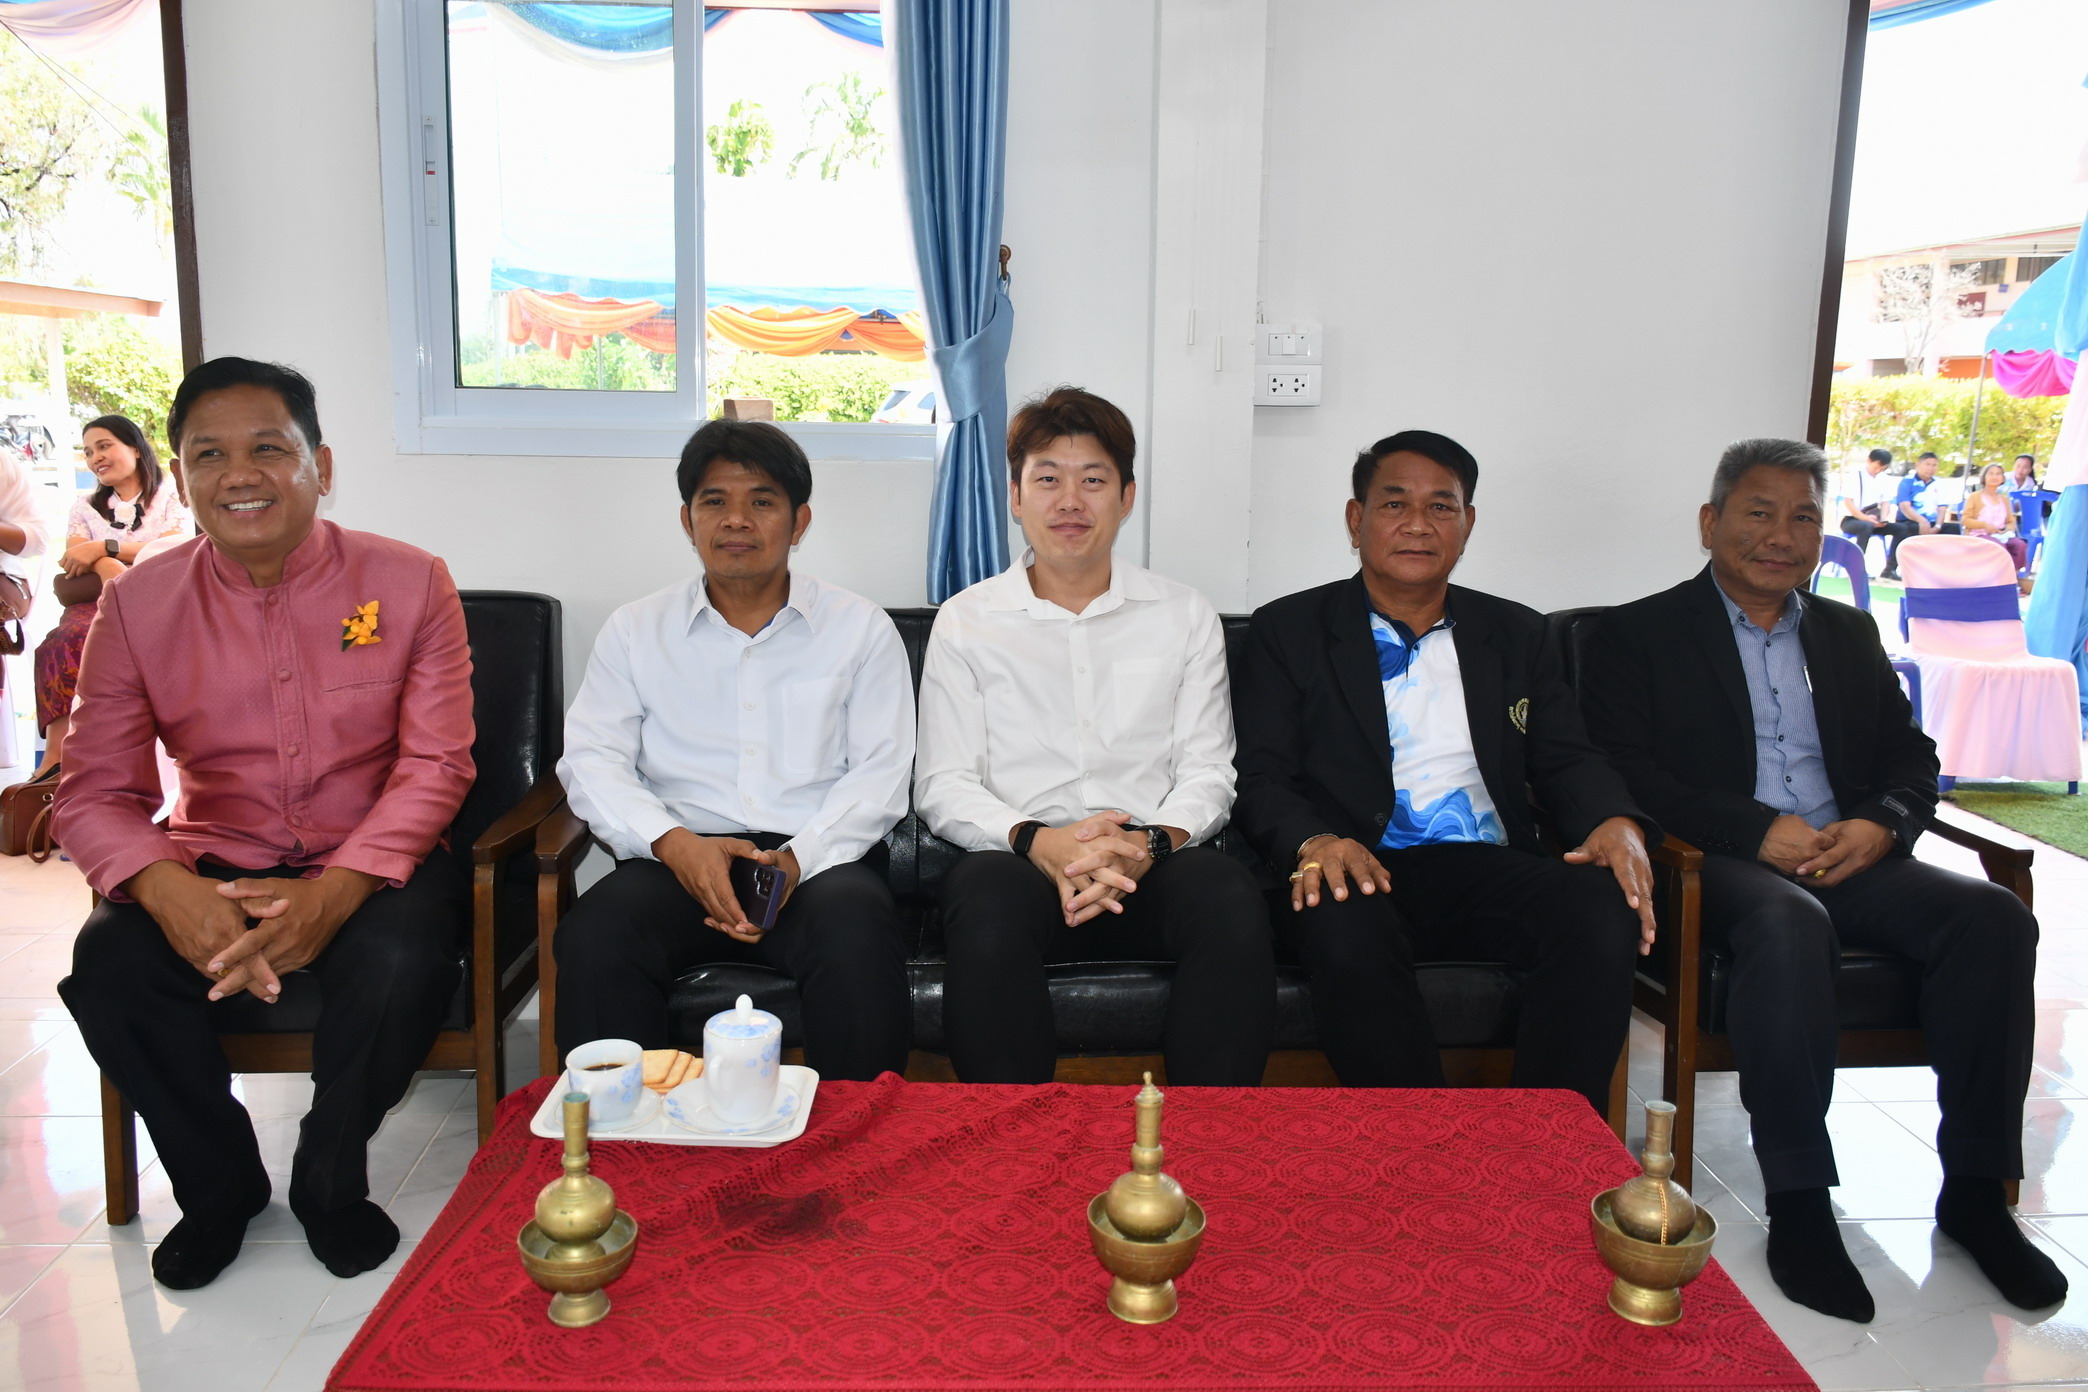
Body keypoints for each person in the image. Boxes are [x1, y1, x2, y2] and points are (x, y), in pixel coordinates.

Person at [1579, 437, 2058, 1323]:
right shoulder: (1636, 634)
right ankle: (1800, 1200)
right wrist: (1755, 830)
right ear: (1710, 522)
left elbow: (1911, 756)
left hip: (1849, 854)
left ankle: (1977, 1193)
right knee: (1789, 922)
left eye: (1803, 517)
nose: (1781, 536)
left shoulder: (1847, 631)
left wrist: (1882, 824)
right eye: (1759, 512)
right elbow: (1625, 771)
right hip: (1720, 864)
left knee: (1992, 917)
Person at [54, 358, 475, 1290]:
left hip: (372, 860)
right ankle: (219, 1189)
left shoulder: (411, 582)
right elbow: (91, 790)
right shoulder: (136, 603)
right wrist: (172, 892)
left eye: (269, 450)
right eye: (210, 455)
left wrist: (334, 895)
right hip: (214, 856)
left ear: (320, 465)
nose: (240, 475)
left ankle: (330, 1176)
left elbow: (437, 765)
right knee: (111, 963)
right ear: (182, 475)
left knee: (403, 957)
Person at [1231, 430, 1657, 1116]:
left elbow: (1567, 756)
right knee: (1345, 925)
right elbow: (1261, 776)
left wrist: (1614, 821)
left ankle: (1545, 1145)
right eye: (1395, 504)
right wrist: (1315, 842)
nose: (1418, 525)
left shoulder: (1516, 633)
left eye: (1441, 507)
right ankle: (1425, 1146)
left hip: (1486, 865)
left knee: (1599, 908)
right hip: (1354, 865)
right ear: (1355, 520)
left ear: (1468, 523)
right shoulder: (1290, 630)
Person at [915, 386, 1274, 1085]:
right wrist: (1040, 841)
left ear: (1127, 496)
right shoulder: (967, 620)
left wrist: (1148, 844)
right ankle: (1012, 1134)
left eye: (1094, 480)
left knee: (1228, 896)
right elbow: (944, 781)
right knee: (984, 897)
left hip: (1151, 858)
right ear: (1015, 497)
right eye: (1048, 479)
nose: (1070, 501)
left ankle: (1210, 1133)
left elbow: (1208, 770)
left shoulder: (1184, 615)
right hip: (1021, 856)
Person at [553, 420, 913, 1079]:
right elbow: (591, 759)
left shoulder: (859, 628)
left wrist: (794, 861)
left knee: (856, 931)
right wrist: (675, 845)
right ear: (687, 520)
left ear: (800, 521)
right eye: (714, 501)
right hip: (676, 860)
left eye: (762, 501)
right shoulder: (635, 630)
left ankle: (857, 1136)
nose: (736, 520)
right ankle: (620, 1134)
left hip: (816, 864)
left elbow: (882, 772)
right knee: (598, 933)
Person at [32, 415, 191, 768]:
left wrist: (103, 548)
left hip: (160, 599)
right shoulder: (85, 506)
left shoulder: (171, 496)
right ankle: (56, 760)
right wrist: (106, 566)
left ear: (135, 448)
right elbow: (75, 557)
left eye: (104, 446)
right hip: (96, 603)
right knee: (64, 639)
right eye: (89, 452)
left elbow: (171, 549)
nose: (95, 458)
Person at [1885, 451, 1960, 578]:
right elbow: (1905, 506)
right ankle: (1890, 569)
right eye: (1927, 464)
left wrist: (1937, 526)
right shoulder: (1907, 482)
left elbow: (1942, 508)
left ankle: (1948, 571)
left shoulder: (1939, 483)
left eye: (1934, 465)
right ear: (1918, 465)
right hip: (1910, 521)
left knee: (1956, 529)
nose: (1931, 468)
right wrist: (1921, 521)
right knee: (1903, 529)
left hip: (1932, 523)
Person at [1837, 447, 1906, 570]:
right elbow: (1848, 502)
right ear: (1869, 460)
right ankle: (1856, 566)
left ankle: (1890, 569)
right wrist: (1865, 518)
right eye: (1877, 467)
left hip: (1874, 521)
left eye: (1882, 468)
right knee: (1866, 527)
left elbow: (1886, 502)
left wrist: (1883, 519)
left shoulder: (1885, 479)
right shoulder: (1854, 476)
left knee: (1901, 529)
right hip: (1852, 520)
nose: (1878, 470)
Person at [1960, 462, 2030, 578]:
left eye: (1998, 474)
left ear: (2002, 478)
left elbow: (2011, 521)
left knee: (2020, 546)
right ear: (1984, 477)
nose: (1994, 477)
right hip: (1979, 534)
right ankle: (1994, 578)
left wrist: (2006, 529)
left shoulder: (2004, 499)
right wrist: (1985, 526)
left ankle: (2011, 578)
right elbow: (1965, 520)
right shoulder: (1974, 497)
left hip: (2001, 534)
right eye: (1991, 474)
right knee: (1998, 547)